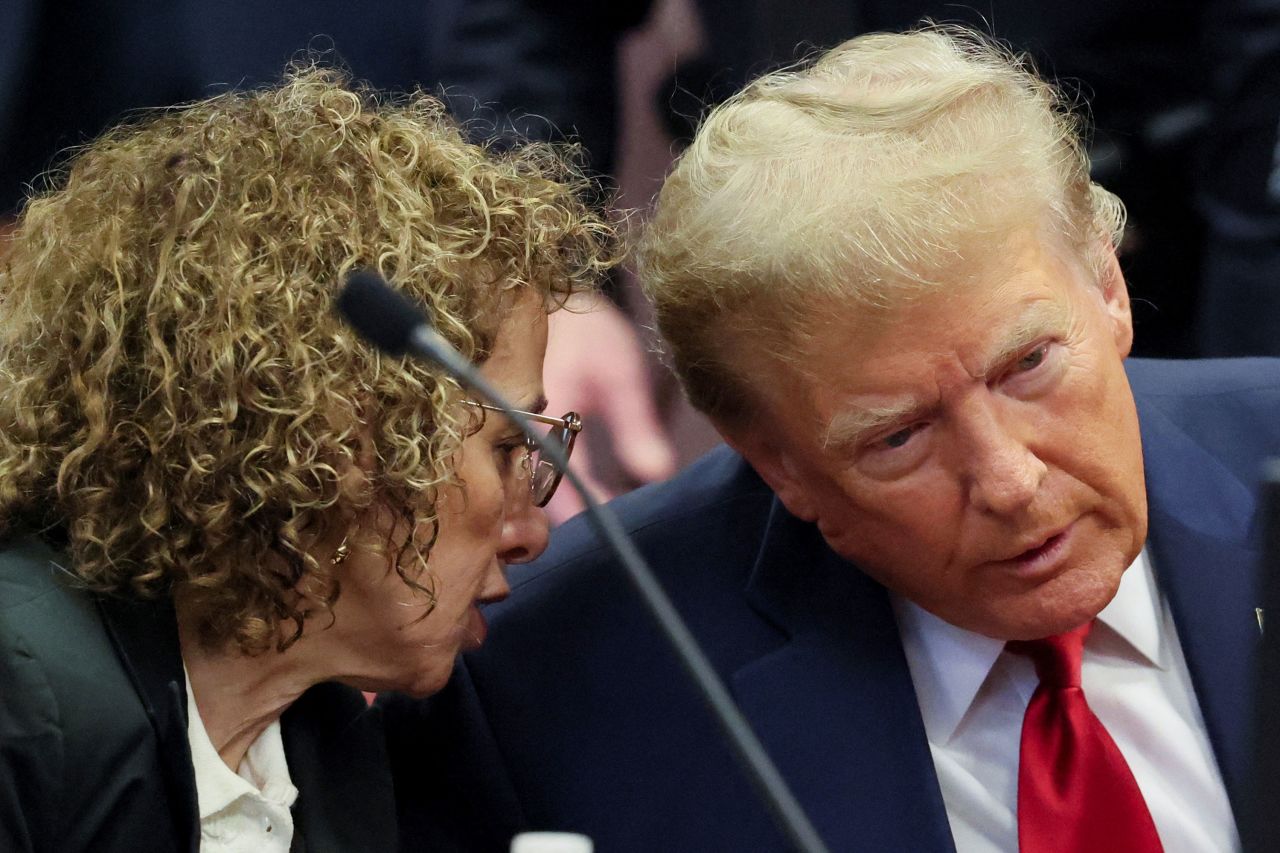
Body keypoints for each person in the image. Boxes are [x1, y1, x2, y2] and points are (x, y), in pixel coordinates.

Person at [385, 26, 1280, 851]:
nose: (1006, 480)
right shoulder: (558, 686)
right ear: (778, 460)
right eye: (897, 437)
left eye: (1029, 365)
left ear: (1108, 285)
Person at [0, 67, 612, 852]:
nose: (533, 532)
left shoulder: (324, 748)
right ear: (329, 438)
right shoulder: (23, 704)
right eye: (506, 446)